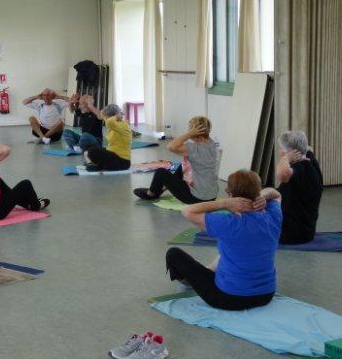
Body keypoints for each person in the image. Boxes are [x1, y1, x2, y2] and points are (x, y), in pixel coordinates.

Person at [165, 170, 282, 310]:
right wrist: (263, 196)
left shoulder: (228, 222)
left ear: (231, 195)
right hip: (266, 295)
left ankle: (190, 283)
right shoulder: (273, 217)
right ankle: (207, 272)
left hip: (229, 298)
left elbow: (187, 211)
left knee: (173, 254)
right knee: (228, 253)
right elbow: (276, 194)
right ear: (257, 192)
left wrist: (224, 204)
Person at [134, 116, 218, 204]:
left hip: (197, 198)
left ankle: (151, 194)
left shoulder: (193, 148)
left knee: (160, 172)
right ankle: (162, 188)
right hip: (212, 196)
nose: (188, 130)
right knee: (182, 167)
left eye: (190, 129)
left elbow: (170, 146)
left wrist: (188, 134)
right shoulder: (211, 143)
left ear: (195, 131)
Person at [275, 131, 323, 244]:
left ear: (290, 152)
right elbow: (309, 148)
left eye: (281, 149)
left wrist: (286, 158)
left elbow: (281, 174)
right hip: (307, 232)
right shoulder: (311, 161)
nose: (279, 152)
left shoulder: (298, 170)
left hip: (291, 235)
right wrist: (301, 149)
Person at [84, 104, 131, 172]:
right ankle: (96, 165)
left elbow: (109, 122)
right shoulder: (114, 125)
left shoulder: (121, 125)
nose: (104, 120)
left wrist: (117, 115)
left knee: (92, 151)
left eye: (106, 117)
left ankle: (97, 165)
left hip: (122, 161)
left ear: (111, 117)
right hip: (113, 155)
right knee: (87, 152)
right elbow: (106, 119)